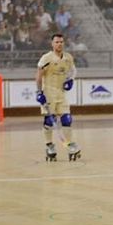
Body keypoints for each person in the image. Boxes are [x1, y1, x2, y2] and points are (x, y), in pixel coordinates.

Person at [35, 33, 81, 161]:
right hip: (48, 92)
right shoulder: (46, 58)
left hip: (61, 92)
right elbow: (38, 76)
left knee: (66, 119)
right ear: (52, 44)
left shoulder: (68, 57)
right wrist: (39, 92)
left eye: (61, 42)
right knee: (50, 120)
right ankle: (49, 146)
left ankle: (70, 144)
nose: (59, 44)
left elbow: (73, 70)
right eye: (56, 42)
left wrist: (71, 80)